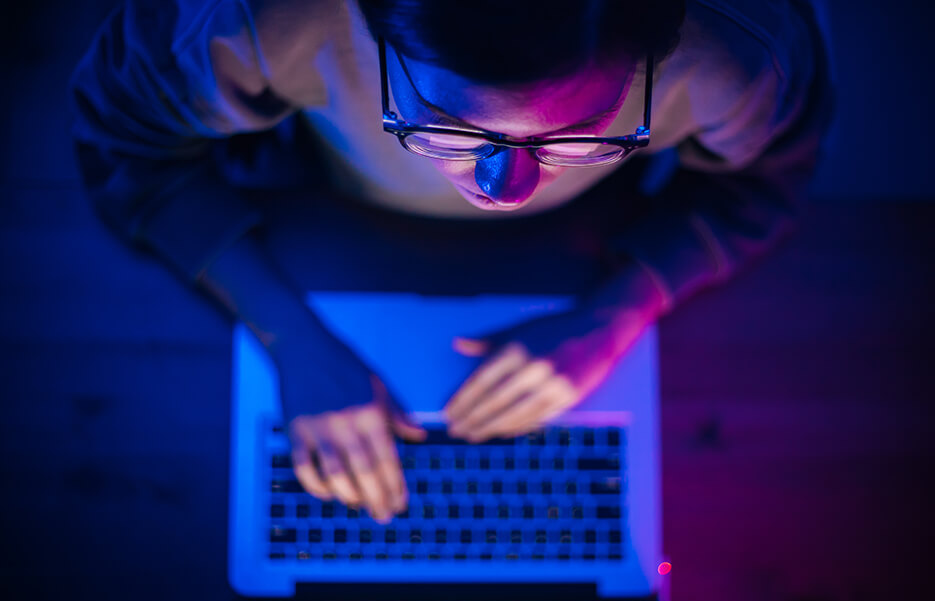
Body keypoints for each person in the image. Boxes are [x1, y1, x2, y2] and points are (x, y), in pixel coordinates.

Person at [71, 0, 833, 524]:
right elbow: (125, 145)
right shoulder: (243, 19)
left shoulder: (742, 59)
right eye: (445, 126)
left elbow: (764, 182)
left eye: (577, 133)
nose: (505, 192)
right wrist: (286, 335)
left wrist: (620, 309)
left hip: (588, 242)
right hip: (309, 206)